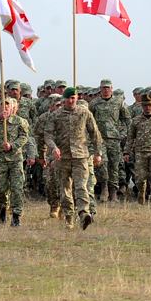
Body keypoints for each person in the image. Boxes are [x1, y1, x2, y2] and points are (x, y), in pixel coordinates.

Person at [45, 87, 103, 230]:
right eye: (68, 98)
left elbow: (95, 133)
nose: (71, 101)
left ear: (77, 98)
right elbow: (48, 135)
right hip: (62, 158)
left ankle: (84, 213)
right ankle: (69, 217)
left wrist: (98, 153)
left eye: (73, 98)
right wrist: (53, 148)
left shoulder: (84, 113)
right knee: (65, 190)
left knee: (81, 186)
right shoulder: (56, 115)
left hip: (80, 156)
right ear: (64, 99)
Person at [0, 96, 30, 226]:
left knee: (17, 188)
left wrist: (12, 145)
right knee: (0, 189)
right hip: (0, 160)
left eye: (7, 105)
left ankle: (16, 216)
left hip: (15, 159)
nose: (5, 107)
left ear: (12, 107)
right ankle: (2, 211)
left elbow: (24, 137)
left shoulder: (20, 121)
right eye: (2, 105)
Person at [88, 78, 130, 202]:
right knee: (102, 165)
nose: (106, 90)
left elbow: (127, 120)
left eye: (108, 87)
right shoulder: (94, 103)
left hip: (115, 139)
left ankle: (113, 192)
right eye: (103, 88)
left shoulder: (119, 102)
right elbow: (88, 121)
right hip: (99, 139)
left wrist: (124, 134)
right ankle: (104, 188)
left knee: (114, 165)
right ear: (100, 89)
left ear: (112, 89)